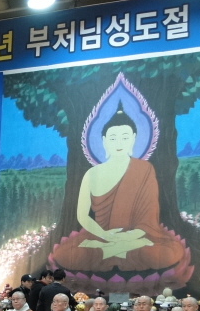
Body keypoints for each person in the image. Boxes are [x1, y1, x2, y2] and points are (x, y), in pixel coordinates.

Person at [49, 107, 184, 276]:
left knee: (171, 251)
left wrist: (130, 237)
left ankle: (109, 251)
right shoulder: (91, 174)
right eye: (113, 138)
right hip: (102, 236)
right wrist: (105, 235)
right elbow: (83, 216)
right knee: (65, 255)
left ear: (133, 138)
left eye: (125, 137)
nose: (119, 143)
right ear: (104, 140)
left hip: (135, 238)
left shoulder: (144, 169)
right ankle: (119, 250)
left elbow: (149, 216)